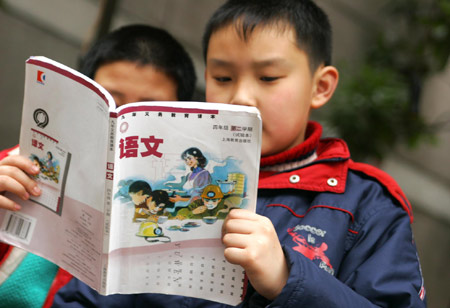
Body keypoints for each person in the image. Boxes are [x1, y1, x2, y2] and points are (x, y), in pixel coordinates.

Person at [53, 1, 426, 307]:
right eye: (223, 78)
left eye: (268, 78)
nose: (242, 97)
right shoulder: (163, 180)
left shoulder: (366, 204)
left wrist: (288, 278)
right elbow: (90, 297)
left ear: (321, 86)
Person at [0, 24, 197, 308]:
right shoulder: (17, 165)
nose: (124, 127)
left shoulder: (177, 208)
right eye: (111, 105)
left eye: (148, 112)